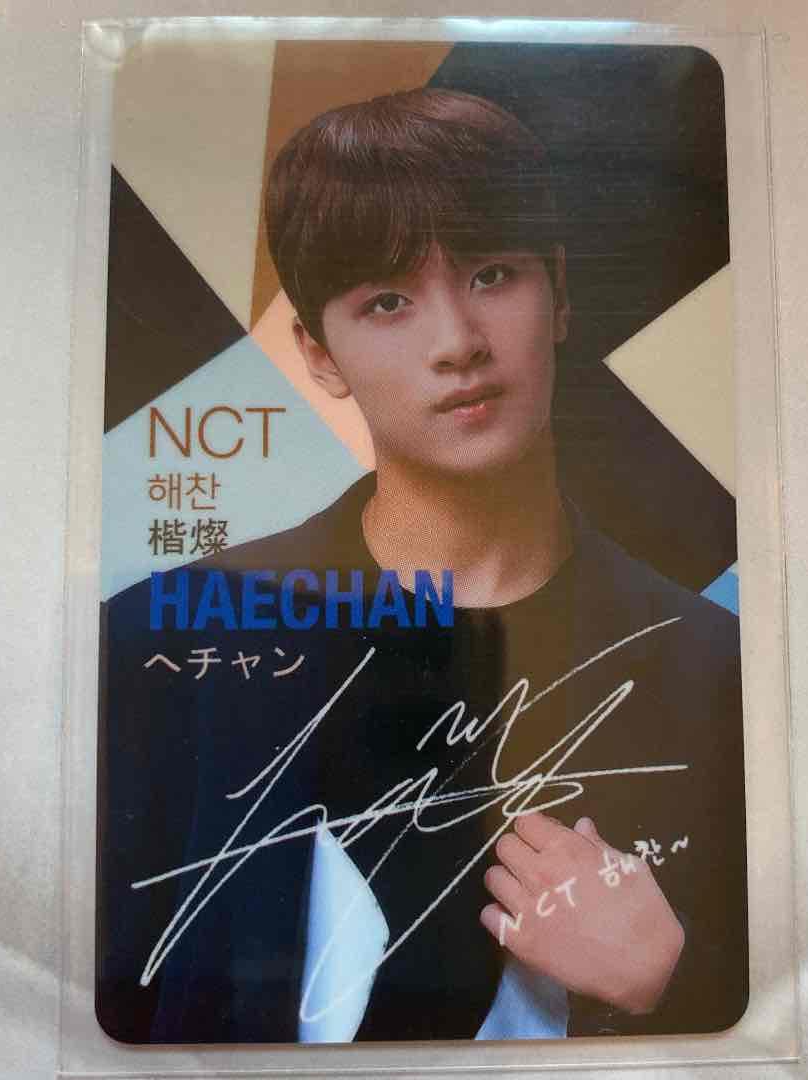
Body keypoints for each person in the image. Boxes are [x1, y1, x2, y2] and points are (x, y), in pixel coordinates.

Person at [97, 88, 747, 1045]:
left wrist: (669, 982)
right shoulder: (164, 639)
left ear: (560, 294)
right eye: (388, 302)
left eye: (493, 274)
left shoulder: (715, 667)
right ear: (319, 354)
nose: (458, 344)